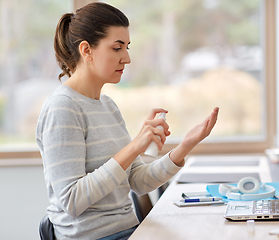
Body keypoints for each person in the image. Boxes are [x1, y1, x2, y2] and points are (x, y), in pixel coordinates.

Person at [36, 2, 219, 240]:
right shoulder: (63, 108)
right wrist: (134, 147)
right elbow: (71, 201)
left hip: (129, 231)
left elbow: (138, 182)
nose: (127, 58)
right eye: (117, 48)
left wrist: (185, 145)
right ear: (86, 50)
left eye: (127, 47)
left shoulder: (108, 106)